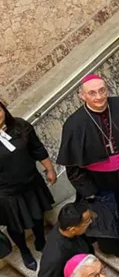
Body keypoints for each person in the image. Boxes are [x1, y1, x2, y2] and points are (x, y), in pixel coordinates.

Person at [58, 75, 119, 257]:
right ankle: (117, 247)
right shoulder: (74, 124)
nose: (99, 97)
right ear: (82, 96)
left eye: (102, 91)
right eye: (92, 93)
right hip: (100, 181)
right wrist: (89, 190)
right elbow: (73, 166)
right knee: (110, 215)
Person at [0, 101, 55, 271]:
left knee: (37, 215)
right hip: (6, 192)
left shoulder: (20, 125)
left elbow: (37, 148)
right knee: (15, 225)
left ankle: (41, 241)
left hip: (31, 182)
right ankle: (24, 251)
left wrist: (49, 169)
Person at [38, 203, 94, 277]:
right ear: (72, 229)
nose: (91, 222)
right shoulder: (55, 259)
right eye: (87, 222)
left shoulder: (65, 224)